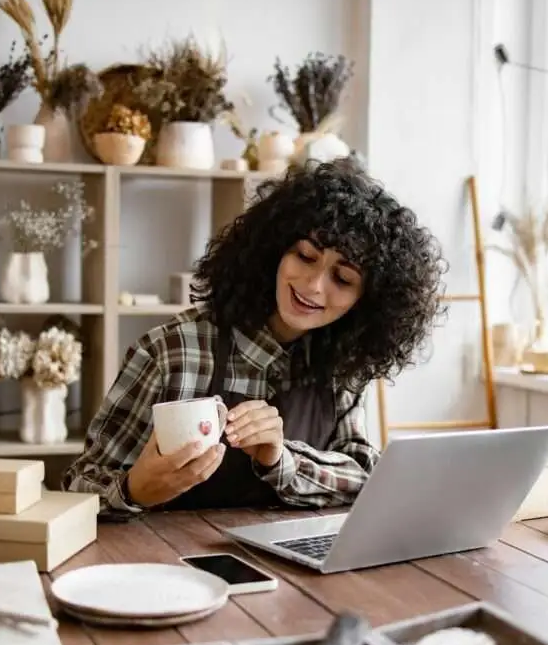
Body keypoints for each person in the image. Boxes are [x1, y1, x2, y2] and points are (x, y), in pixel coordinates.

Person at [63, 159, 446, 519]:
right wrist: (134, 490)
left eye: (342, 279)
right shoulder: (172, 351)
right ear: (274, 250)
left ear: (367, 301)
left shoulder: (341, 366)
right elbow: (78, 489)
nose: (313, 286)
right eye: (305, 256)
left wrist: (281, 460)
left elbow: (363, 476)